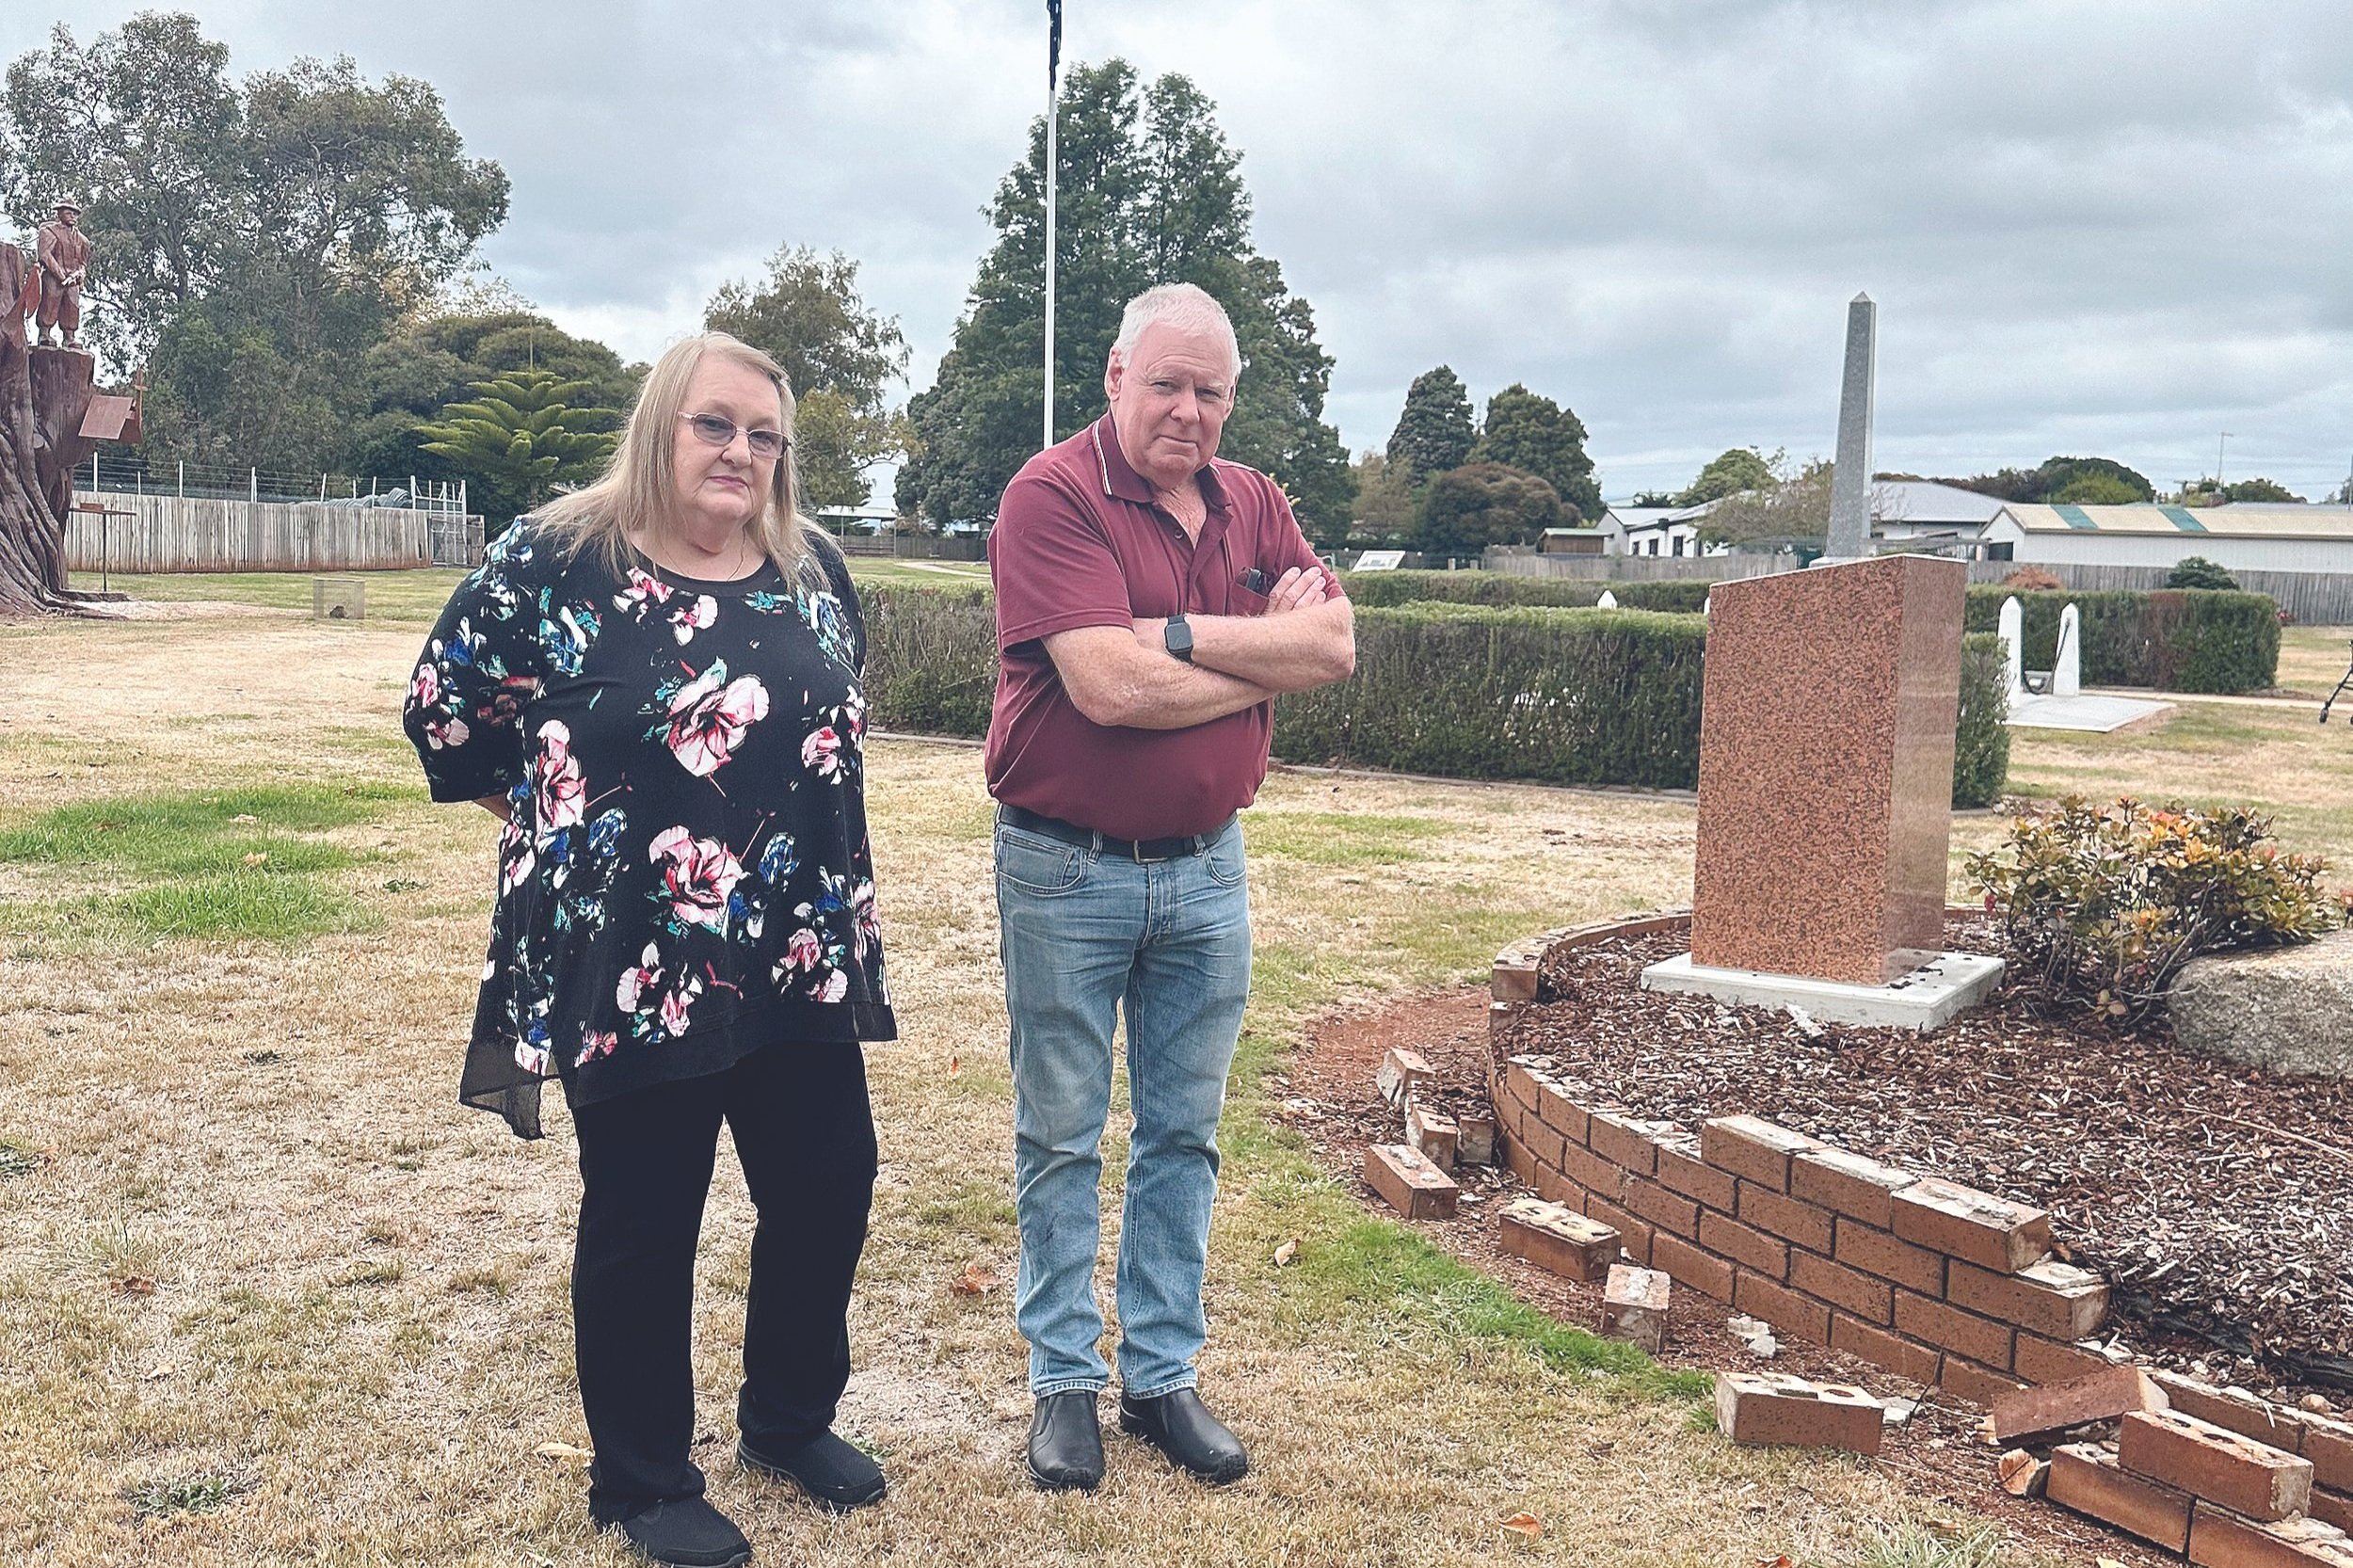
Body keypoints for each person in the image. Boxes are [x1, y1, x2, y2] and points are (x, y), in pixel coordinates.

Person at [402, 332, 894, 1568]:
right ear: (661, 424)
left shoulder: (814, 563)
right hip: (637, 961)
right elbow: (445, 712)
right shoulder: (562, 558)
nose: (741, 452)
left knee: (830, 1183)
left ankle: (789, 1419)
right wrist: (550, 821)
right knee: (645, 1214)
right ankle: (641, 1481)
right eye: (714, 425)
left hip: (796, 946)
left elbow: (834, 704)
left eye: (764, 433)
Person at [985, 282, 1356, 1492]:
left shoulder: (1255, 500)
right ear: (1114, 376)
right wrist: (1263, 657)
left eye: (1210, 391)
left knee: (1183, 1133)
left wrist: (1179, 633)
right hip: (1063, 869)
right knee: (1061, 1134)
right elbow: (1106, 689)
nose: (1188, 412)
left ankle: (1160, 1375)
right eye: (1167, 384)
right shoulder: (1050, 496)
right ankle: (1062, 1385)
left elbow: (1336, 648)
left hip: (1209, 872)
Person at [35, 200, 88, 349]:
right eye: (68, 212)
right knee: (50, 302)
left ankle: (69, 336)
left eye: (75, 213)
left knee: (72, 306)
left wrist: (80, 274)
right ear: (59, 213)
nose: (73, 216)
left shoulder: (83, 240)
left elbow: (83, 262)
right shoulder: (49, 232)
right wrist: (61, 275)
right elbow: (45, 255)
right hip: (54, 277)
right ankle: (44, 333)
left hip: (73, 280)